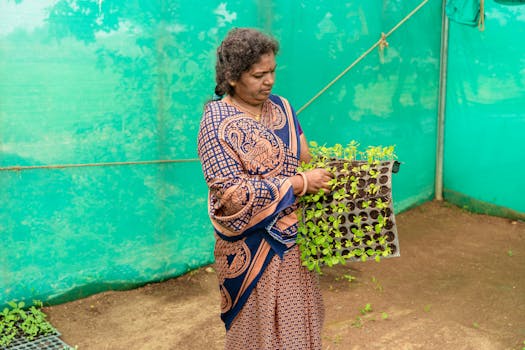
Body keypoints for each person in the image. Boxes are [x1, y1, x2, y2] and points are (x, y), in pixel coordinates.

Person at [197, 27, 332, 350]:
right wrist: (299, 184)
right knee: (257, 329)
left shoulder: (282, 108)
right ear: (231, 77)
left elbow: (304, 157)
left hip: (295, 245)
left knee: (299, 318)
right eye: (259, 75)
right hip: (253, 249)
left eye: (272, 72)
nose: (269, 81)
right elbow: (231, 194)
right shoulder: (216, 124)